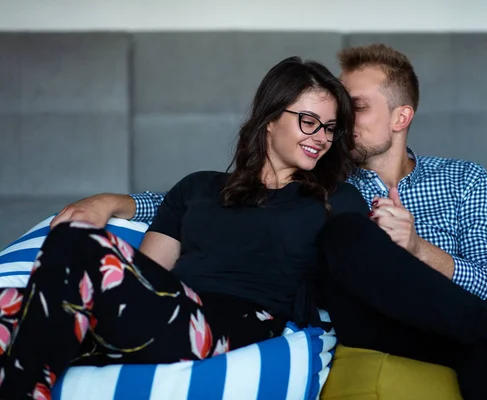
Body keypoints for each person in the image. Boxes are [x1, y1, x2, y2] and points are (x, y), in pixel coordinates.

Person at [34, 46, 487, 400]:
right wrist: (115, 201)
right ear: (272, 119)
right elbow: (191, 224)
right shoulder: (258, 187)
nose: (330, 131)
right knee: (71, 246)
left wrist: (418, 249)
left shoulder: (411, 187)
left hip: (392, 304)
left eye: (344, 117)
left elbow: (466, 282)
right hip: (276, 305)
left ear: (401, 117)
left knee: (456, 332)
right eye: (319, 118)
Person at [0, 56, 370, 399]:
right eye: (309, 121)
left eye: (330, 128)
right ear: (271, 118)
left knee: (77, 247)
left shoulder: (336, 199)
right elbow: (145, 274)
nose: (321, 137)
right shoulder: (198, 187)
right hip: (165, 308)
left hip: (236, 320)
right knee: (16, 299)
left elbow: (356, 279)